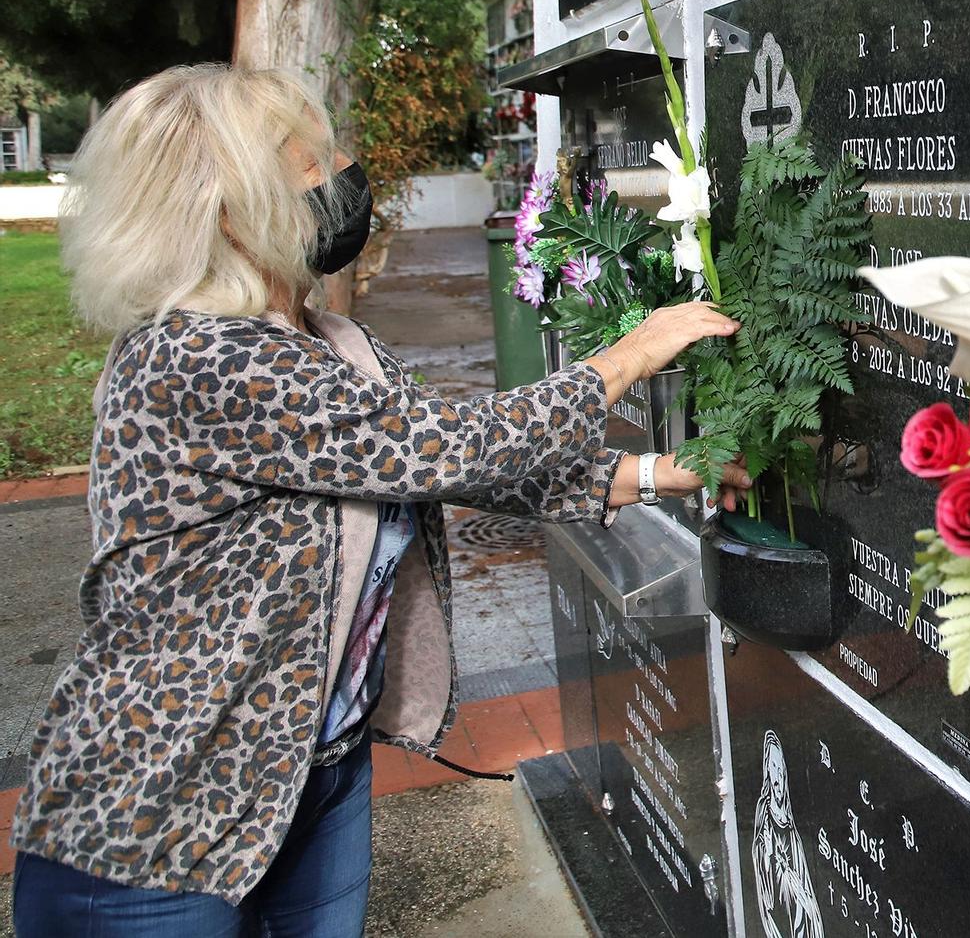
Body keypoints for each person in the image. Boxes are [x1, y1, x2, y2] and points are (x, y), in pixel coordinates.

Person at [9, 64, 750, 935]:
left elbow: (442, 466)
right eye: (309, 167)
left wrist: (657, 474)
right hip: (163, 808)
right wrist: (626, 356)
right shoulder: (193, 356)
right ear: (228, 208)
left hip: (312, 774)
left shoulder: (329, 342)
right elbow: (445, 447)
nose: (341, 182)